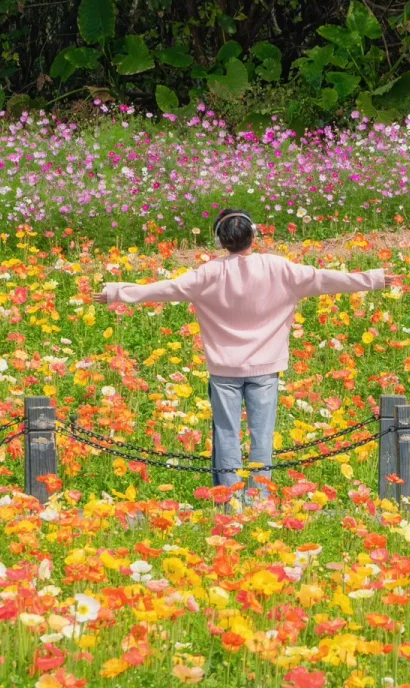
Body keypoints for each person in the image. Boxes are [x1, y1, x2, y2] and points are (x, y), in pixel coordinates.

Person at [94, 208, 392, 499]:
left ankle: (229, 499)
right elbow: (327, 279)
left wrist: (117, 291)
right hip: (265, 366)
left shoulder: (208, 273)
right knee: (262, 436)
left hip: (224, 369)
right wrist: (373, 278)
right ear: (254, 235)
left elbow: (164, 289)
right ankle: (259, 497)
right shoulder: (279, 268)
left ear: (220, 241)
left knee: (226, 434)